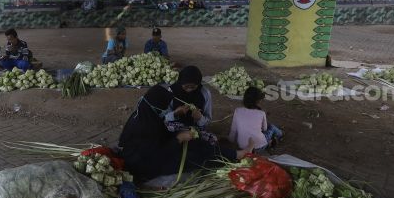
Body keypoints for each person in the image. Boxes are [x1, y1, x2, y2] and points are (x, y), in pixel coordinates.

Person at [118, 84, 252, 182]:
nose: (166, 110)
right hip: (146, 166)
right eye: (164, 108)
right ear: (156, 106)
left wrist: (179, 132)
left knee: (197, 143)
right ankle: (234, 156)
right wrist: (178, 139)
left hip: (155, 153)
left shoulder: (145, 114)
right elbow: (156, 156)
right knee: (195, 155)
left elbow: (160, 136)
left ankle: (236, 154)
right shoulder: (144, 127)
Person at [229, 87, 284, 152]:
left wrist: (230, 143)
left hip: (242, 147)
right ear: (258, 101)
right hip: (259, 147)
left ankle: (271, 141)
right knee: (271, 127)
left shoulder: (237, 111)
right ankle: (281, 134)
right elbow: (265, 129)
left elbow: (233, 130)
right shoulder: (261, 113)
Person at [165, 66, 212, 134]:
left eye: (193, 87)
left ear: (198, 84)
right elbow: (164, 117)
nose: (189, 89)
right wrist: (175, 113)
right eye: (186, 86)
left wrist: (200, 118)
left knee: (211, 140)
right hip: (175, 126)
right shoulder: (171, 91)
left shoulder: (205, 93)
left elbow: (208, 120)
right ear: (181, 82)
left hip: (195, 127)